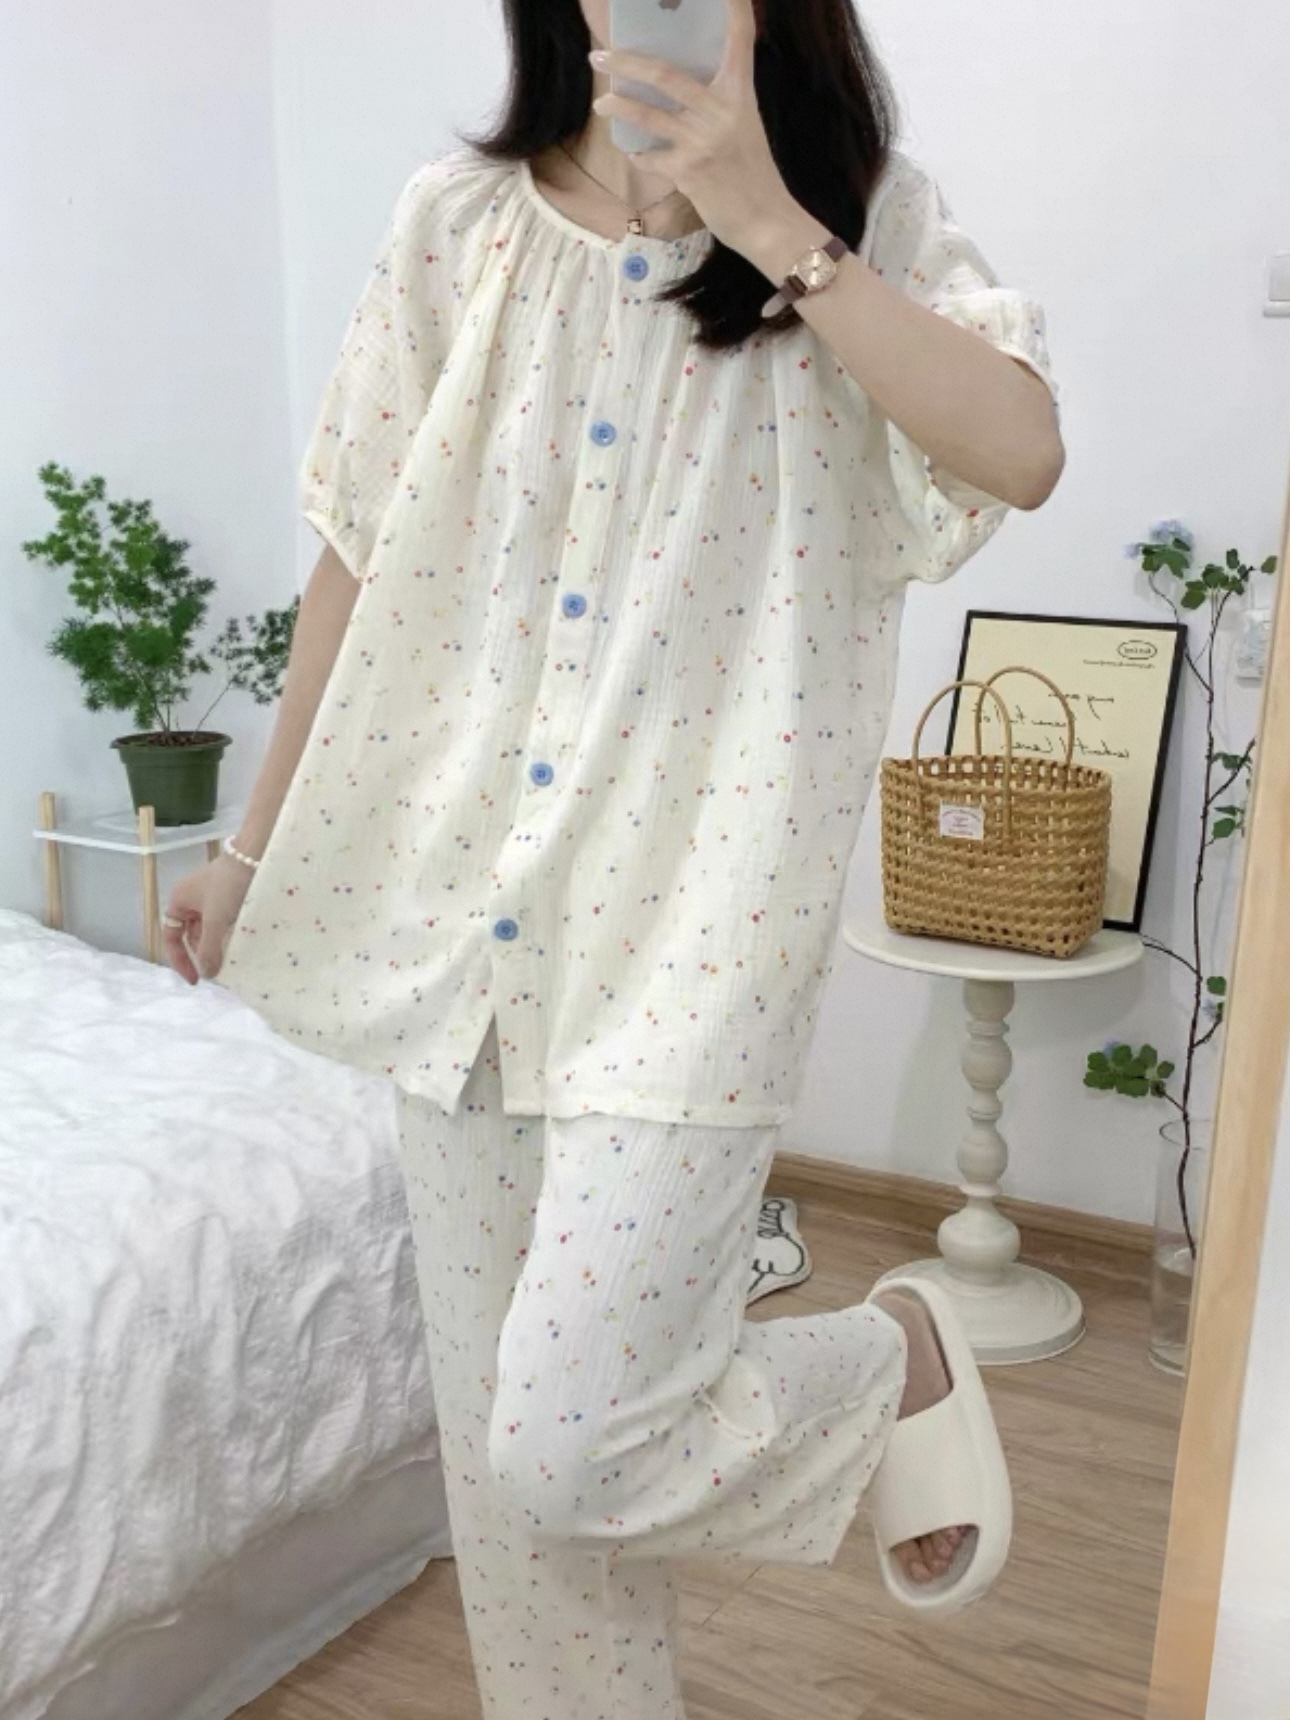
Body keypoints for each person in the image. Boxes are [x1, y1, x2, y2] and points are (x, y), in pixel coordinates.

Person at [163, 0, 1064, 1711]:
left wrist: (772, 223)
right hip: (457, 911)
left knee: (576, 1440)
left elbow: (1017, 451)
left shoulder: (854, 220)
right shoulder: (457, 224)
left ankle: (887, 1360)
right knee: (514, 1496)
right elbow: (358, 551)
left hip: (696, 922)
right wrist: (251, 848)